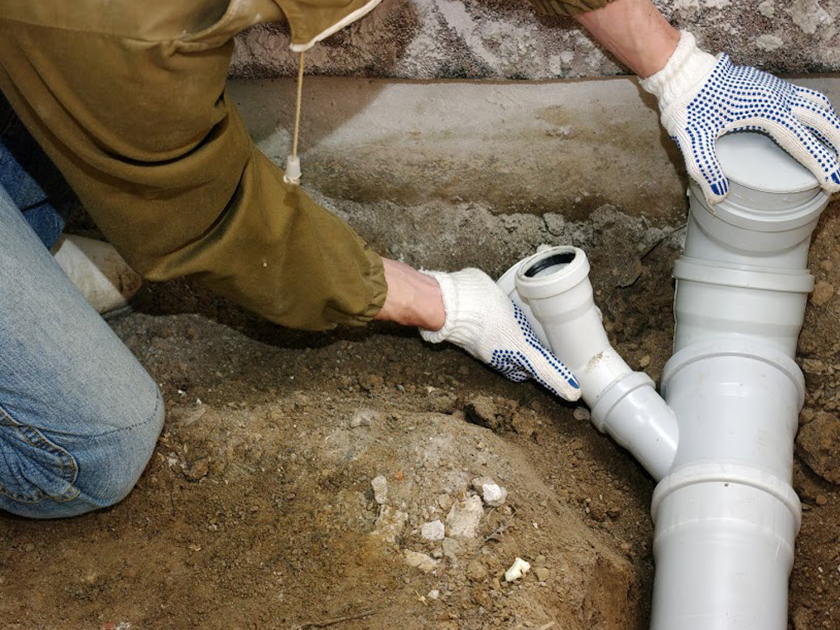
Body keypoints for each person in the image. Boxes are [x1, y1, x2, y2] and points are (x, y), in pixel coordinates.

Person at [0, 0, 838, 519]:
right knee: (92, 447)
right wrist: (449, 306)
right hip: (62, 34)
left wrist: (680, 68)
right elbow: (216, 222)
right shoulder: (111, 18)